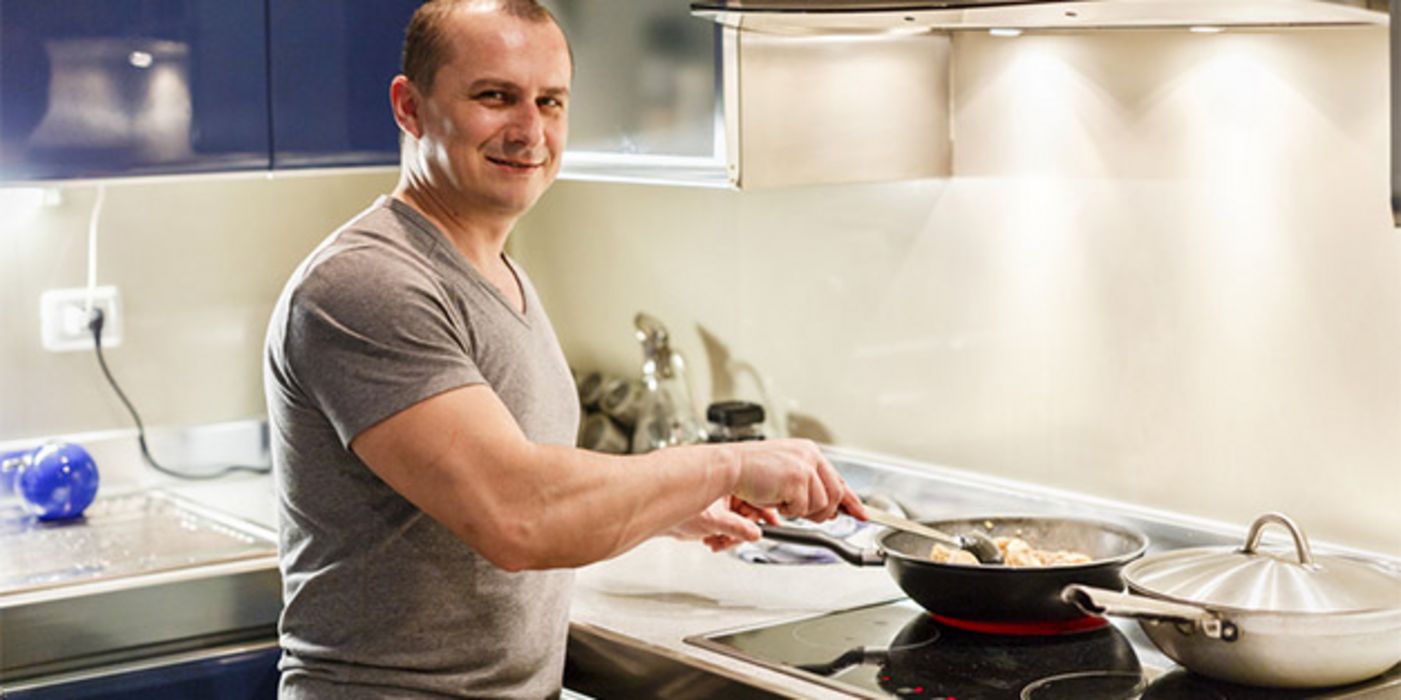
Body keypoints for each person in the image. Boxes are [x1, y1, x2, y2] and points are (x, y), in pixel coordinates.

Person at [263, 1, 866, 697]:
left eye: (550, 102)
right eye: (495, 96)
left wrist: (663, 508)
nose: (529, 131)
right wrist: (724, 462)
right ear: (410, 107)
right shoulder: (368, 284)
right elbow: (518, 514)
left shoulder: (497, 268)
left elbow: (519, 483)